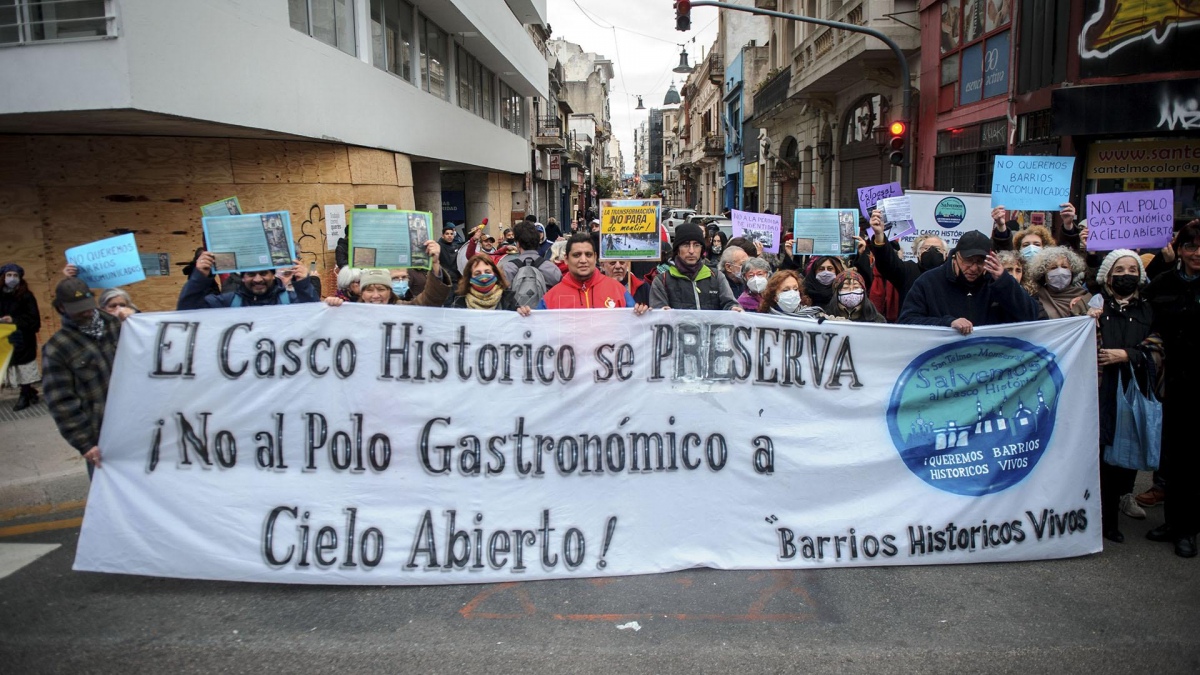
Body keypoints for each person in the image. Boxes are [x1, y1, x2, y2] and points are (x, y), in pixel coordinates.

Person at [1087, 250, 1163, 544]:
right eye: (1119, 270)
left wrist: (1128, 355)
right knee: (1101, 451)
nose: (1126, 275)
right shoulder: (1092, 305)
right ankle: (1105, 520)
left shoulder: (1148, 309)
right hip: (1099, 388)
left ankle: (1122, 498)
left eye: (1132, 269)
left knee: (1126, 446)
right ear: (1108, 276)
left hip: (1133, 386)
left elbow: (1158, 343)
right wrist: (1086, 321)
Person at [1144, 221, 1200, 557]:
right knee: (1173, 456)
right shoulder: (1164, 282)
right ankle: (1172, 521)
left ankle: (1187, 529)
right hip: (1171, 384)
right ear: (1179, 250)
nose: (1197, 253)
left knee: (1193, 460)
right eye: (1190, 246)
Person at [42, 278, 120, 478]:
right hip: (101, 438)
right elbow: (61, 402)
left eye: (87, 306)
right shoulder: (57, 349)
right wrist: (84, 443)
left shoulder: (115, 325)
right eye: (78, 309)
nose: (86, 312)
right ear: (61, 308)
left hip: (134, 425)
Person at [898, 230, 1041, 334]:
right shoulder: (929, 281)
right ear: (955, 257)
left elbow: (1031, 316)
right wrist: (947, 323)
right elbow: (907, 322)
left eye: (980, 262)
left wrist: (1004, 282)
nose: (973, 268)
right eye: (968, 261)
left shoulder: (998, 282)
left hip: (989, 359)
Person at [535, 233, 649, 314]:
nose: (583, 260)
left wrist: (643, 314)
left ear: (595, 258)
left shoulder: (618, 290)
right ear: (566, 259)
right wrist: (526, 316)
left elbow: (636, 328)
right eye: (577, 255)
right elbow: (535, 330)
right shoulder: (551, 298)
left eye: (588, 255)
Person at [649, 223, 742, 311]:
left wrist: (733, 309)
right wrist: (662, 312)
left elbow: (730, 303)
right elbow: (658, 314)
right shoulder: (662, 281)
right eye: (686, 245)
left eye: (696, 245)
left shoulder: (716, 277)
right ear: (677, 249)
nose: (691, 251)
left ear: (702, 249)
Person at [868, 210, 948, 307]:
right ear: (918, 253)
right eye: (926, 248)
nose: (931, 251)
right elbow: (888, 262)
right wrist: (879, 234)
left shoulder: (951, 275)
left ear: (946, 254)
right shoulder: (908, 271)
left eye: (938, 249)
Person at [178, 255, 318, 309]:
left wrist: (303, 284)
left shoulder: (290, 300)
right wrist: (199, 277)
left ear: (273, 275)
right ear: (243, 277)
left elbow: (313, 314)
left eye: (263, 273)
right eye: (251, 274)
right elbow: (187, 308)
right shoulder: (228, 302)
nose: (257, 279)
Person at [0, 263, 41, 410]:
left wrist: (14, 320)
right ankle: (30, 392)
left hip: (23, 337)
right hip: (5, 337)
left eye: (15, 275)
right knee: (11, 366)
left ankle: (25, 394)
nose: (12, 278)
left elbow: (34, 321)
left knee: (24, 366)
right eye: (9, 275)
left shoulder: (26, 296)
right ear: (3, 276)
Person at [500, 222, 563, 307]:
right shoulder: (552, 269)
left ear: (518, 244)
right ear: (538, 241)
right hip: (543, 313)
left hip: (516, 314)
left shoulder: (507, 269)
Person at [1027, 246, 1090, 319]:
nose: (1060, 271)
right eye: (1053, 268)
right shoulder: (1035, 299)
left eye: (1064, 267)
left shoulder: (1084, 296)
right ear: (1044, 274)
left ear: (1072, 271)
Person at [451, 254, 523, 311]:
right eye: (477, 273)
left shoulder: (508, 299)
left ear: (495, 274)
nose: (484, 277)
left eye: (487, 272)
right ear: (470, 278)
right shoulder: (459, 303)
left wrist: (522, 312)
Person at [804, 254, 873, 308]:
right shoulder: (805, 291)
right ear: (814, 272)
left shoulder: (845, 292)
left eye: (830, 269)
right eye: (821, 269)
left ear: (836, 271)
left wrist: (861, 254)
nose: (825, 272)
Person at [757, 270, 823, 319]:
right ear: (774, 297)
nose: (792, 293)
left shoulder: (812, 316)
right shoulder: (764, 319)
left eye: (795, 289)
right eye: (786, 290)